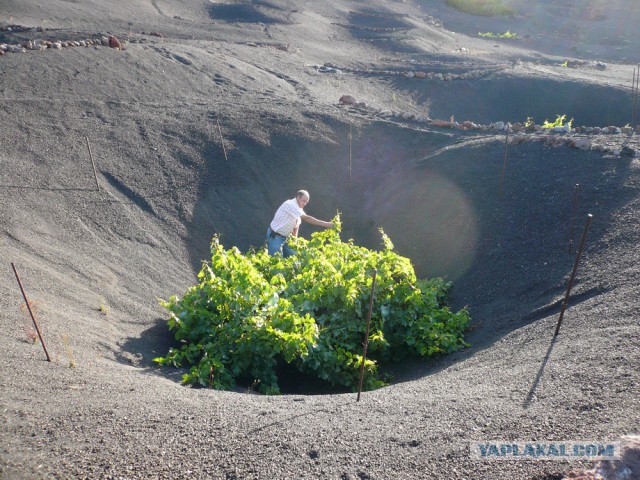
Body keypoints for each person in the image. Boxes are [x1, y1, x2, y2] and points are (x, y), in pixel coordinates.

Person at [267, 190, 333, 257]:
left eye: (306, 202)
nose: (305, 204)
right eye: (303, 201)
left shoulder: (299, 209)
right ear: (298, 197)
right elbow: (306, 218)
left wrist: (295, 238)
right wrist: (328, 225)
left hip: (287, 238)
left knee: (295, 257)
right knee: (276, 262)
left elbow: (297, 223)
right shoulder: (290, 204)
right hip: (276, 237)